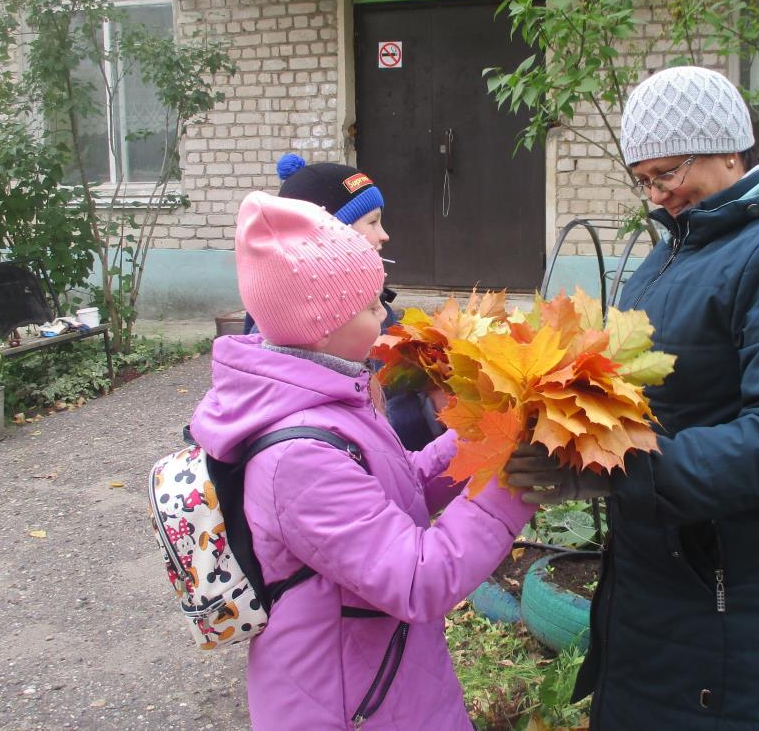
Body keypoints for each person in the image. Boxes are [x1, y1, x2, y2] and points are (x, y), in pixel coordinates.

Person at [505, 65, 759, 729]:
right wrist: (566, 416)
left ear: (730, 147)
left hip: (745, 595)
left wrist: (610, 469)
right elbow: (644, 397)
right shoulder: (676, 250)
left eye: (669, 174)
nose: (659, 195)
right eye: (645, 180)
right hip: (663, 580)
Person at [190, 192, 534, 730]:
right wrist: (514, 478)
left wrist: (486, 433)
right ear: (323, 325)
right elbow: (419, 579)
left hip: (386, 678)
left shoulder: (328, 396)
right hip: (349, 706)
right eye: (373, 304)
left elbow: (402, 488)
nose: (385, 312)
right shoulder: (297, 458)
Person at [243, 153, 443, 449]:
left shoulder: (362, 305)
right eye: (372, 222)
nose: (384, 235)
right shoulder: (302, 327)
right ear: (330, 235)